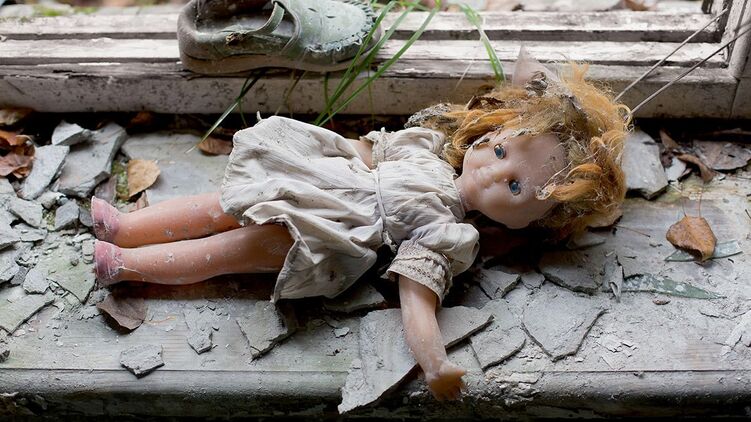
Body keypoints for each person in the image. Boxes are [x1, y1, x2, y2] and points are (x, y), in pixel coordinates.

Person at [91, 50, 629, 400]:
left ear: (534, 218)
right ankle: (126, 227)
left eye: (514, 187)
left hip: (332, 232)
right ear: (489, 132)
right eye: (500, 149)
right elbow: (365, 150)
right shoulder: (428, 149)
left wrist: (435, 364)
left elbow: (417, 299)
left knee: (233, 250)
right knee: (219, 204)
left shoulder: (450, 232)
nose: (492, 171)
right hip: (319, 180)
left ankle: (126, 265)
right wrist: (318, 149)